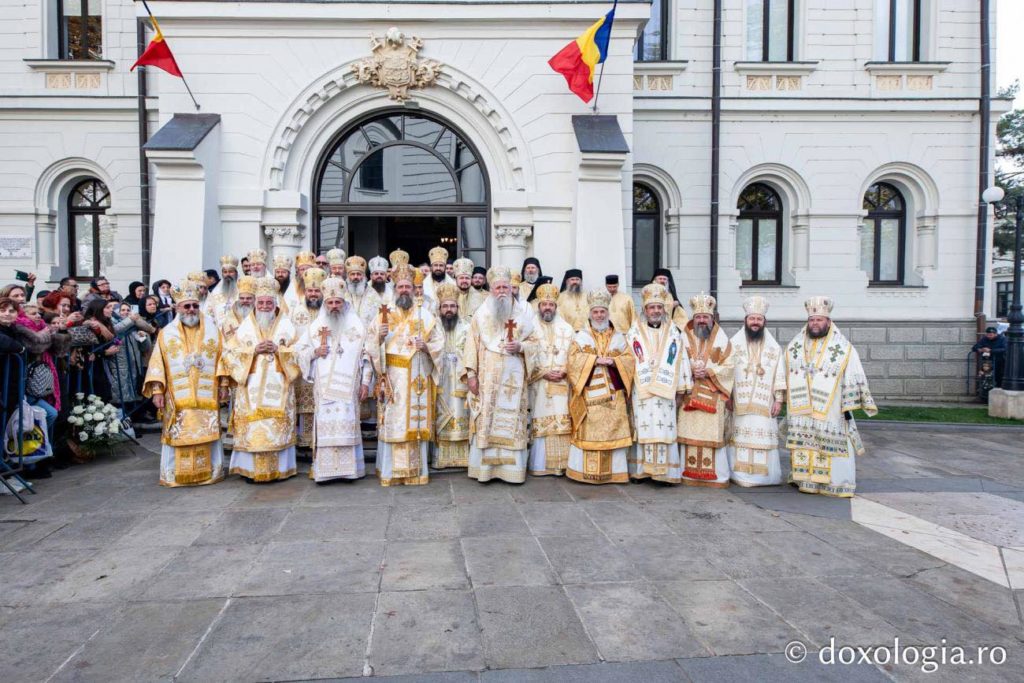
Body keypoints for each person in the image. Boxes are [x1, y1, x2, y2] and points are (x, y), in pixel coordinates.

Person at [779, 296, 877, 497]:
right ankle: (805, 480)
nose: (815, 324)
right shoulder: (795, 345)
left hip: (830, 405)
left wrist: (849, 402)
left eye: (819, 320)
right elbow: (782, 371)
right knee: (806, 441)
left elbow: (853, 370)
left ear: (828, 322)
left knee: (831, 441)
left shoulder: (843, 347)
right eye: (812, 320)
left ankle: (837, 482)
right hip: (803, 406)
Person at [364, 265, 444, 486]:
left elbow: (440, 344)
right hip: (392, 377)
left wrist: (426, 346)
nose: (405, 290)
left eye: (408, 286)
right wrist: (379, 339)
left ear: (414, 289)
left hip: (417, 376)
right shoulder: (383, 313)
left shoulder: (425, 315)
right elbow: (369, 345)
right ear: (395, 288)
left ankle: (416, 472)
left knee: (414, 426)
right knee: (393, 423)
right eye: (401, 286)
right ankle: (390, 472)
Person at [143, 279, 227, 487]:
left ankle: (210, 473)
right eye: (186, 306)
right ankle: (176, 475)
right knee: (178, 433)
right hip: (177, 397)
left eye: (195, 306)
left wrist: (224, 385)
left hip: (206, 394)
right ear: (178, 307)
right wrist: (157, 391)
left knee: (207, 430)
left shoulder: (213, 332)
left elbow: (223, 359)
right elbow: (157, 364)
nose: (191, 310)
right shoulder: (166, 333)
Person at [220, 277, 301, 483]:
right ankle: (250, 470)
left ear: (275, 304)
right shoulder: (244, 328)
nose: (265, 306)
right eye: (261, 302)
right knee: (253, 427)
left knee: (276, 426)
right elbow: (228, 353)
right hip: (251, 387)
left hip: (279, 384)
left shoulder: (287, 326)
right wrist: (253, 350)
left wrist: (280, 350)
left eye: (269, 303)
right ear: (255, 303)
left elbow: (300, 353)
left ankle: (280, 469)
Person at [296, 277, 372, 483]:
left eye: (337, 302)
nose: (334, 306)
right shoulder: (316, 326)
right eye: (330, 303)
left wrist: (365, 383)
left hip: (349, 389)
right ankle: (326, 471)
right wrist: (314, 352)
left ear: (344, 302)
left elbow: (367, 356)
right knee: (326, 425)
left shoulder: (357, 324)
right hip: (325, 390)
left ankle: (350, 470)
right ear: (325, 303)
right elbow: (299, 352)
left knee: (347, 425)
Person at [463, 266, 534, 483]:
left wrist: (521, 347)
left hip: (514, 378)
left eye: (505, 287)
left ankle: (511, 472)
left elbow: (535, 343)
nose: (502, 291)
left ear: (512, 289)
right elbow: (470, 345)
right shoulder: (481, 314)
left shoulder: (523, 314)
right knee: (487, 418)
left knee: (512, 422)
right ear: (491, 289)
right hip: (487, 379)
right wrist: (471, 375)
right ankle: (485, 470)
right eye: (497, 287)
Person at [566, 289, 635, 484]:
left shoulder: (620, 337)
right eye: (596, 312)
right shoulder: (580, 336)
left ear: (607, 313)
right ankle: (584, 472)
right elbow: (572, 361)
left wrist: (614, 363)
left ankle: (615, 473)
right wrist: (594, 359)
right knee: (589, 430)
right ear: (590, 313)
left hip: (613, 397)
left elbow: (629, 360)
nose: (599, 315)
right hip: (590, 395)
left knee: (614, 429)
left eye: (602, 312)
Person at [626, 284, 691, 483]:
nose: (655, 311)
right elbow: (627, 362)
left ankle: (665, 473)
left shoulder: (674, 334)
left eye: (659, 307)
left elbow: (682, 362)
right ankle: (641, 471)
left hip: (666, 390)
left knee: (664, 428)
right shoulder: (633, 333)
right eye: (651, 307)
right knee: (643, 426)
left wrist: (682, 388)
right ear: (645, 310)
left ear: (664, 309)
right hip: (642, 390)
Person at [677, 293, 735, 487]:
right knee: (689, 432)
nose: (702, 320)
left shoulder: (722, 338)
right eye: (699, 317)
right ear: (694, 317)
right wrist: (691, 370)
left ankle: (716, 476)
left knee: (711, 434)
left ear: (712, 318)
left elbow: (730, 366)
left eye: (706, 317)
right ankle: (689, 474)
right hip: (690, 393)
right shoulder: (683, 336)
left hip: (713, 394)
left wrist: (709, 370)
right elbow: (674, 361)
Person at [727, 296, 785, 487]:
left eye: (758, 319)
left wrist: (779, 400)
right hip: (740, 402)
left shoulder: (774, 348)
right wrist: (727, 395)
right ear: (745, 320)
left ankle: (764, 477)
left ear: (764, 322)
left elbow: (779, 374)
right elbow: (726, 373)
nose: (755, 323)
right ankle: (738, 474)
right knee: (740, 437)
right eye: (752, 319)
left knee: (762, 435)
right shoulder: (733, 344)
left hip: (764, 402)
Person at [524, 283, 574, 476]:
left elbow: (574, 355)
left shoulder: (567, 328)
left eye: (551, 305)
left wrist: (565, 370)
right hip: (539, 384)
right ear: (539, 306)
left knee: (561, 421)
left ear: (555, 307)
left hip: (561, 382)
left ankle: (561, 465)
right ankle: (540, 465)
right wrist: (543, 372)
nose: (547, 308)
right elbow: (526, 355)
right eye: (544, 304)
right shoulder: (530, 328)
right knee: (540, 420)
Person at [432, 283, 471, 469]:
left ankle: (463, 458)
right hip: (440, 378)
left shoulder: (467, 327)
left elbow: (471, 352)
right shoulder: (432, 326)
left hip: (460, 378)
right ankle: (440, 458)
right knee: (440, 414)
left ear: (458, 307)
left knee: (461, 413)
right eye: (445, 306)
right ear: (439, 308)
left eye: (452, 306)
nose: (449, 310)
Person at [291, 268, 326, 451]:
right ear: (305, 292)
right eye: (310, 291)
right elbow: (292, 342)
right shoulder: (295, 312)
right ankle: (304, 441)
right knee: (304, 406)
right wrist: (310, 353)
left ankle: (321, 440)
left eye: (316, 291)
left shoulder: (329, 312)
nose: (313, 294)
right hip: (303, 368)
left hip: (325, 367)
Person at [206, 255, 240, 324]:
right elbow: (208, 313)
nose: (228, 274)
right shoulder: (215, 293)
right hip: (219, 331)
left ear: (236, 273)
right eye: (225, 272)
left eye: (231, 272)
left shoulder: (242, 290)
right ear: (222, 274)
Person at [453, 257, 485, 322]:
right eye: (461, 278)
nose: (464, 281)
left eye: (467, 278)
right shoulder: (449, 295)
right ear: (456, 280)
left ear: (471, 280)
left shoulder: (480, 298)